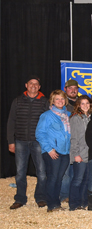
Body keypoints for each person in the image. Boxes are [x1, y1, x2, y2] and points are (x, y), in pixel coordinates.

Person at [7, 75, 49, 209]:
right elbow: (11, 122)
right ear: (26, 85)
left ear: (39, 87)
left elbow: (49, 123)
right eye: (31, 83)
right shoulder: (17, 101)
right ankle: (20, 199)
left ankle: (41, 197)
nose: (33, 86)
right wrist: (10, 141)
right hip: (20, 141)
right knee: (20, 172)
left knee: (42, 172)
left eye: (36, 84)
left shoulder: (45, 102)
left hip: (38, 142)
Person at [35, 90, 72, 212]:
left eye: (62, 99)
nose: (60, 101)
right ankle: (52, 205)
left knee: (59, 178)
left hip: (65, 152)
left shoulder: (68, 114)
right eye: (57, 99)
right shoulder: (47, 115)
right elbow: (40, 134)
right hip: (52, 151)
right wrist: (49, 149)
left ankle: (56, 202)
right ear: (52, 101)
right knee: (52, 177)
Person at [68, 95, 92, 211]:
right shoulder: (75, 118)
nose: (85, 105)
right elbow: (74, 138)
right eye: (82, 103)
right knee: (77, 179)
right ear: (78, 105)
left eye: (87, 103)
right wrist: (75, 154)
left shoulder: (90, 117)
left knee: (86, 179)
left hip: (89, 154)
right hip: (80, 154)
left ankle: (83, 202)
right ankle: (74, 204)